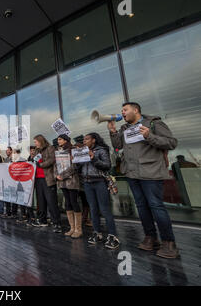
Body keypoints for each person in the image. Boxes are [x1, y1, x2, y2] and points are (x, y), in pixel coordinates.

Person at [108, 102, 179, 258]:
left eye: (125, 110)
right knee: (141, 206)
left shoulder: (154, 123)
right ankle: (151, 237)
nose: (123, 113)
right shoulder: (124, 128)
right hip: (132, 174)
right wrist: (113, 132)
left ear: (136, 110)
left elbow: (171, 142)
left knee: (156, 206)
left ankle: (169, 242)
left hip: (151, 172)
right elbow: (118, 146)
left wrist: (149, 136)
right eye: (122, 111)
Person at [77, 133, 120, 249]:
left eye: (87, 139)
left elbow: (107, 165)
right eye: (84, 139)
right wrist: (75, 160)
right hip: (87, 183)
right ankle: (97, 233)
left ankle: (113, 236)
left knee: (105, 209)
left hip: (99, 182)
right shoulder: (83, 151)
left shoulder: (101, 150)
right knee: (93, 209)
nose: (84, 141)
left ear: (94, 140)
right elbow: (79, 168)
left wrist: (93, 158)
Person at [31, 135, 62, 233]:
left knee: (51, 201)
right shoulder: (36, 150)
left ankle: (56, 223)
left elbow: (52, 160)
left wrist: (41, 165)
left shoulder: (50, 148)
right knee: (41, 202)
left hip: (48, 179)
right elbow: (34, 161)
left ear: (40, 141)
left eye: (36, 141)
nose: (35, 143)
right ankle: (42, 220)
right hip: (38, 179)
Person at [55, 134, 82, 238]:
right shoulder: (58, 150)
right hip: (62, 181)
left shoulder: (73, 149)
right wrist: (56, 175)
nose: (58, 141)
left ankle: (78, 229)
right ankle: (72, 228)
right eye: (58, 140)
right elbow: (56, 165)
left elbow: (75, 166)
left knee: (74, 202)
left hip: (71, 180)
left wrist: (62, 175)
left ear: (66, 140)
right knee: (67, 203)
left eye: (60, 139)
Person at [2, 146, 17, 219]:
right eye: (6, 151)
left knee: (14, 196)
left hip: (13, 180)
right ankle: (8, 212)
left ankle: (14, 212)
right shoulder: (5, 159)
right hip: (7, 180)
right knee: (7, 196)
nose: (6, 152)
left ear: (11, 151)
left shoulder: (15, 158)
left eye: (8, 150)